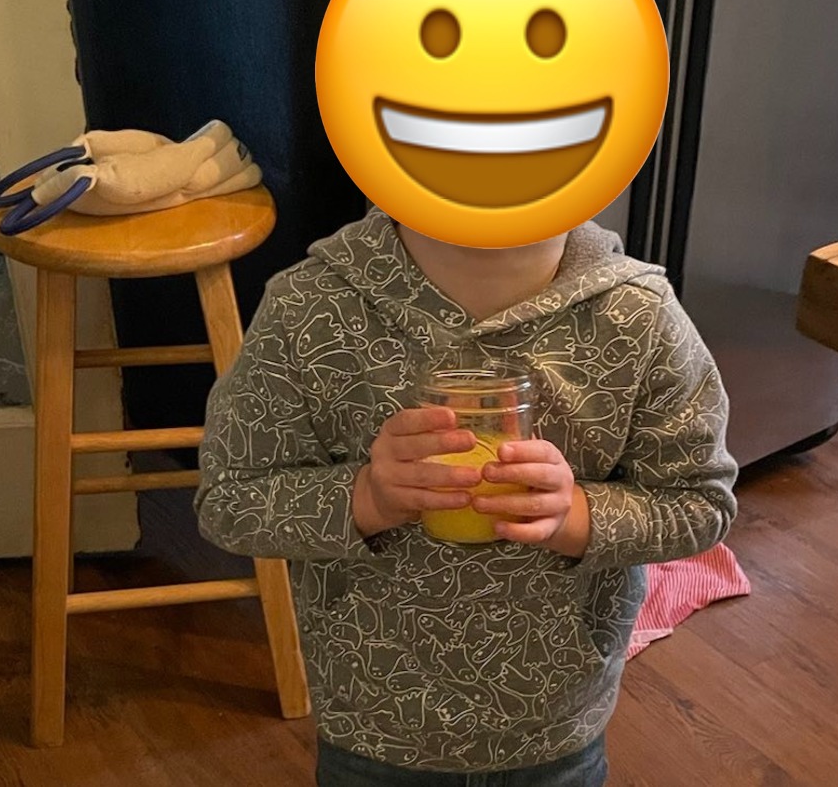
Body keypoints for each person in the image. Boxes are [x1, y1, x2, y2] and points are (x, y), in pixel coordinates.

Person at [195, 206, 738, 785]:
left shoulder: (641, 317)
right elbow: (230, 499)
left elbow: (699, 501)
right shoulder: (308, 309)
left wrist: (574, 514)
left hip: (555, 726)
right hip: (377, 724)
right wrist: (367, 499)